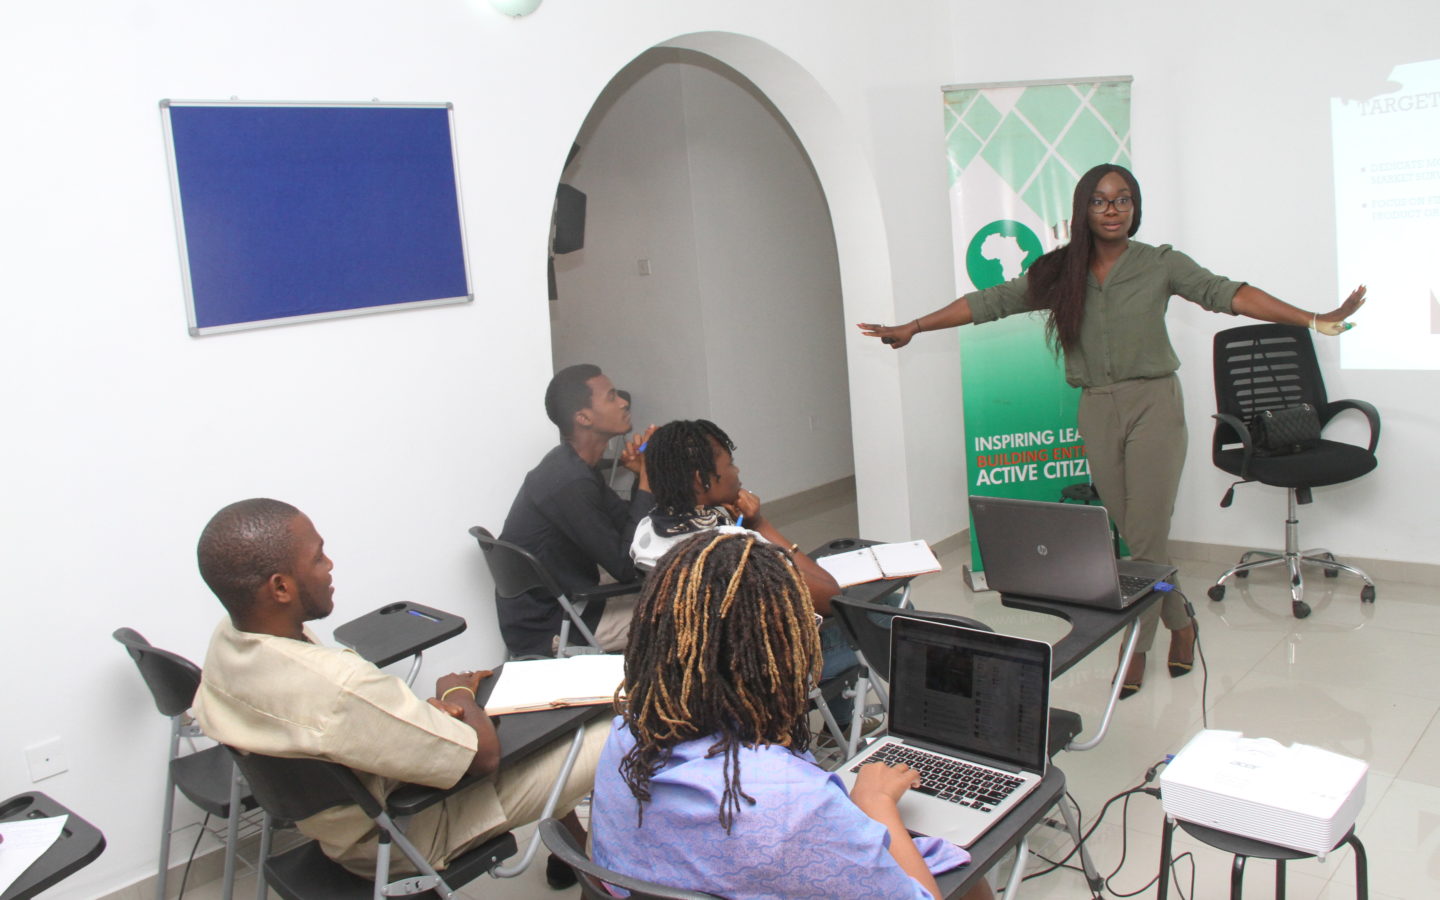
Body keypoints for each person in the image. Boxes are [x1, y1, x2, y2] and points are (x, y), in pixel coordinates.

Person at [859, 164, 1364, 697]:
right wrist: (915, 326)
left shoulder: (1160, 264)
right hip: (1097, 408)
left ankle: (1135, 645)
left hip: (1154, 405)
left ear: (1134, 207)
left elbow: (1228, 294)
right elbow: (991, 302)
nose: (1113, 210)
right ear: (1084, 209)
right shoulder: (1060, 272)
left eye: (1123, 199)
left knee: (1143, 539)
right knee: (1134, 535)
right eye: (1100, 201)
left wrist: (1312, 318)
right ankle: (1181, 620)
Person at [191, 498, 607, 887]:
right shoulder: (340, 686)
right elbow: (484, 757)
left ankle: (571, 858)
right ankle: (612, 882)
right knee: (620, 726)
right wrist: (457, 691)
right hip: (408, 835)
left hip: (347, 828)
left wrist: (420, 719)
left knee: (541, 727)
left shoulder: (228, 645)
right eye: (318, 557)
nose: (329, 565)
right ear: (280, 588)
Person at [592, 531, 992, 900]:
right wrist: (877, 803)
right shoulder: (795, 804)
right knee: (966, 872)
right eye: (805, 627)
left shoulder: (627, 735)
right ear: (779, 654)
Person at [497, 363, 656, 657]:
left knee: (677, 587)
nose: (623, 402)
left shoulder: (574, 466)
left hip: (567, 601)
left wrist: (639, 477)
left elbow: (628, 529)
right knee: (691, 609)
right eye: (611, 397)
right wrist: (648, 480)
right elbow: (625, 566)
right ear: (583, 418)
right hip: (558, 623)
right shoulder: (569, 481)